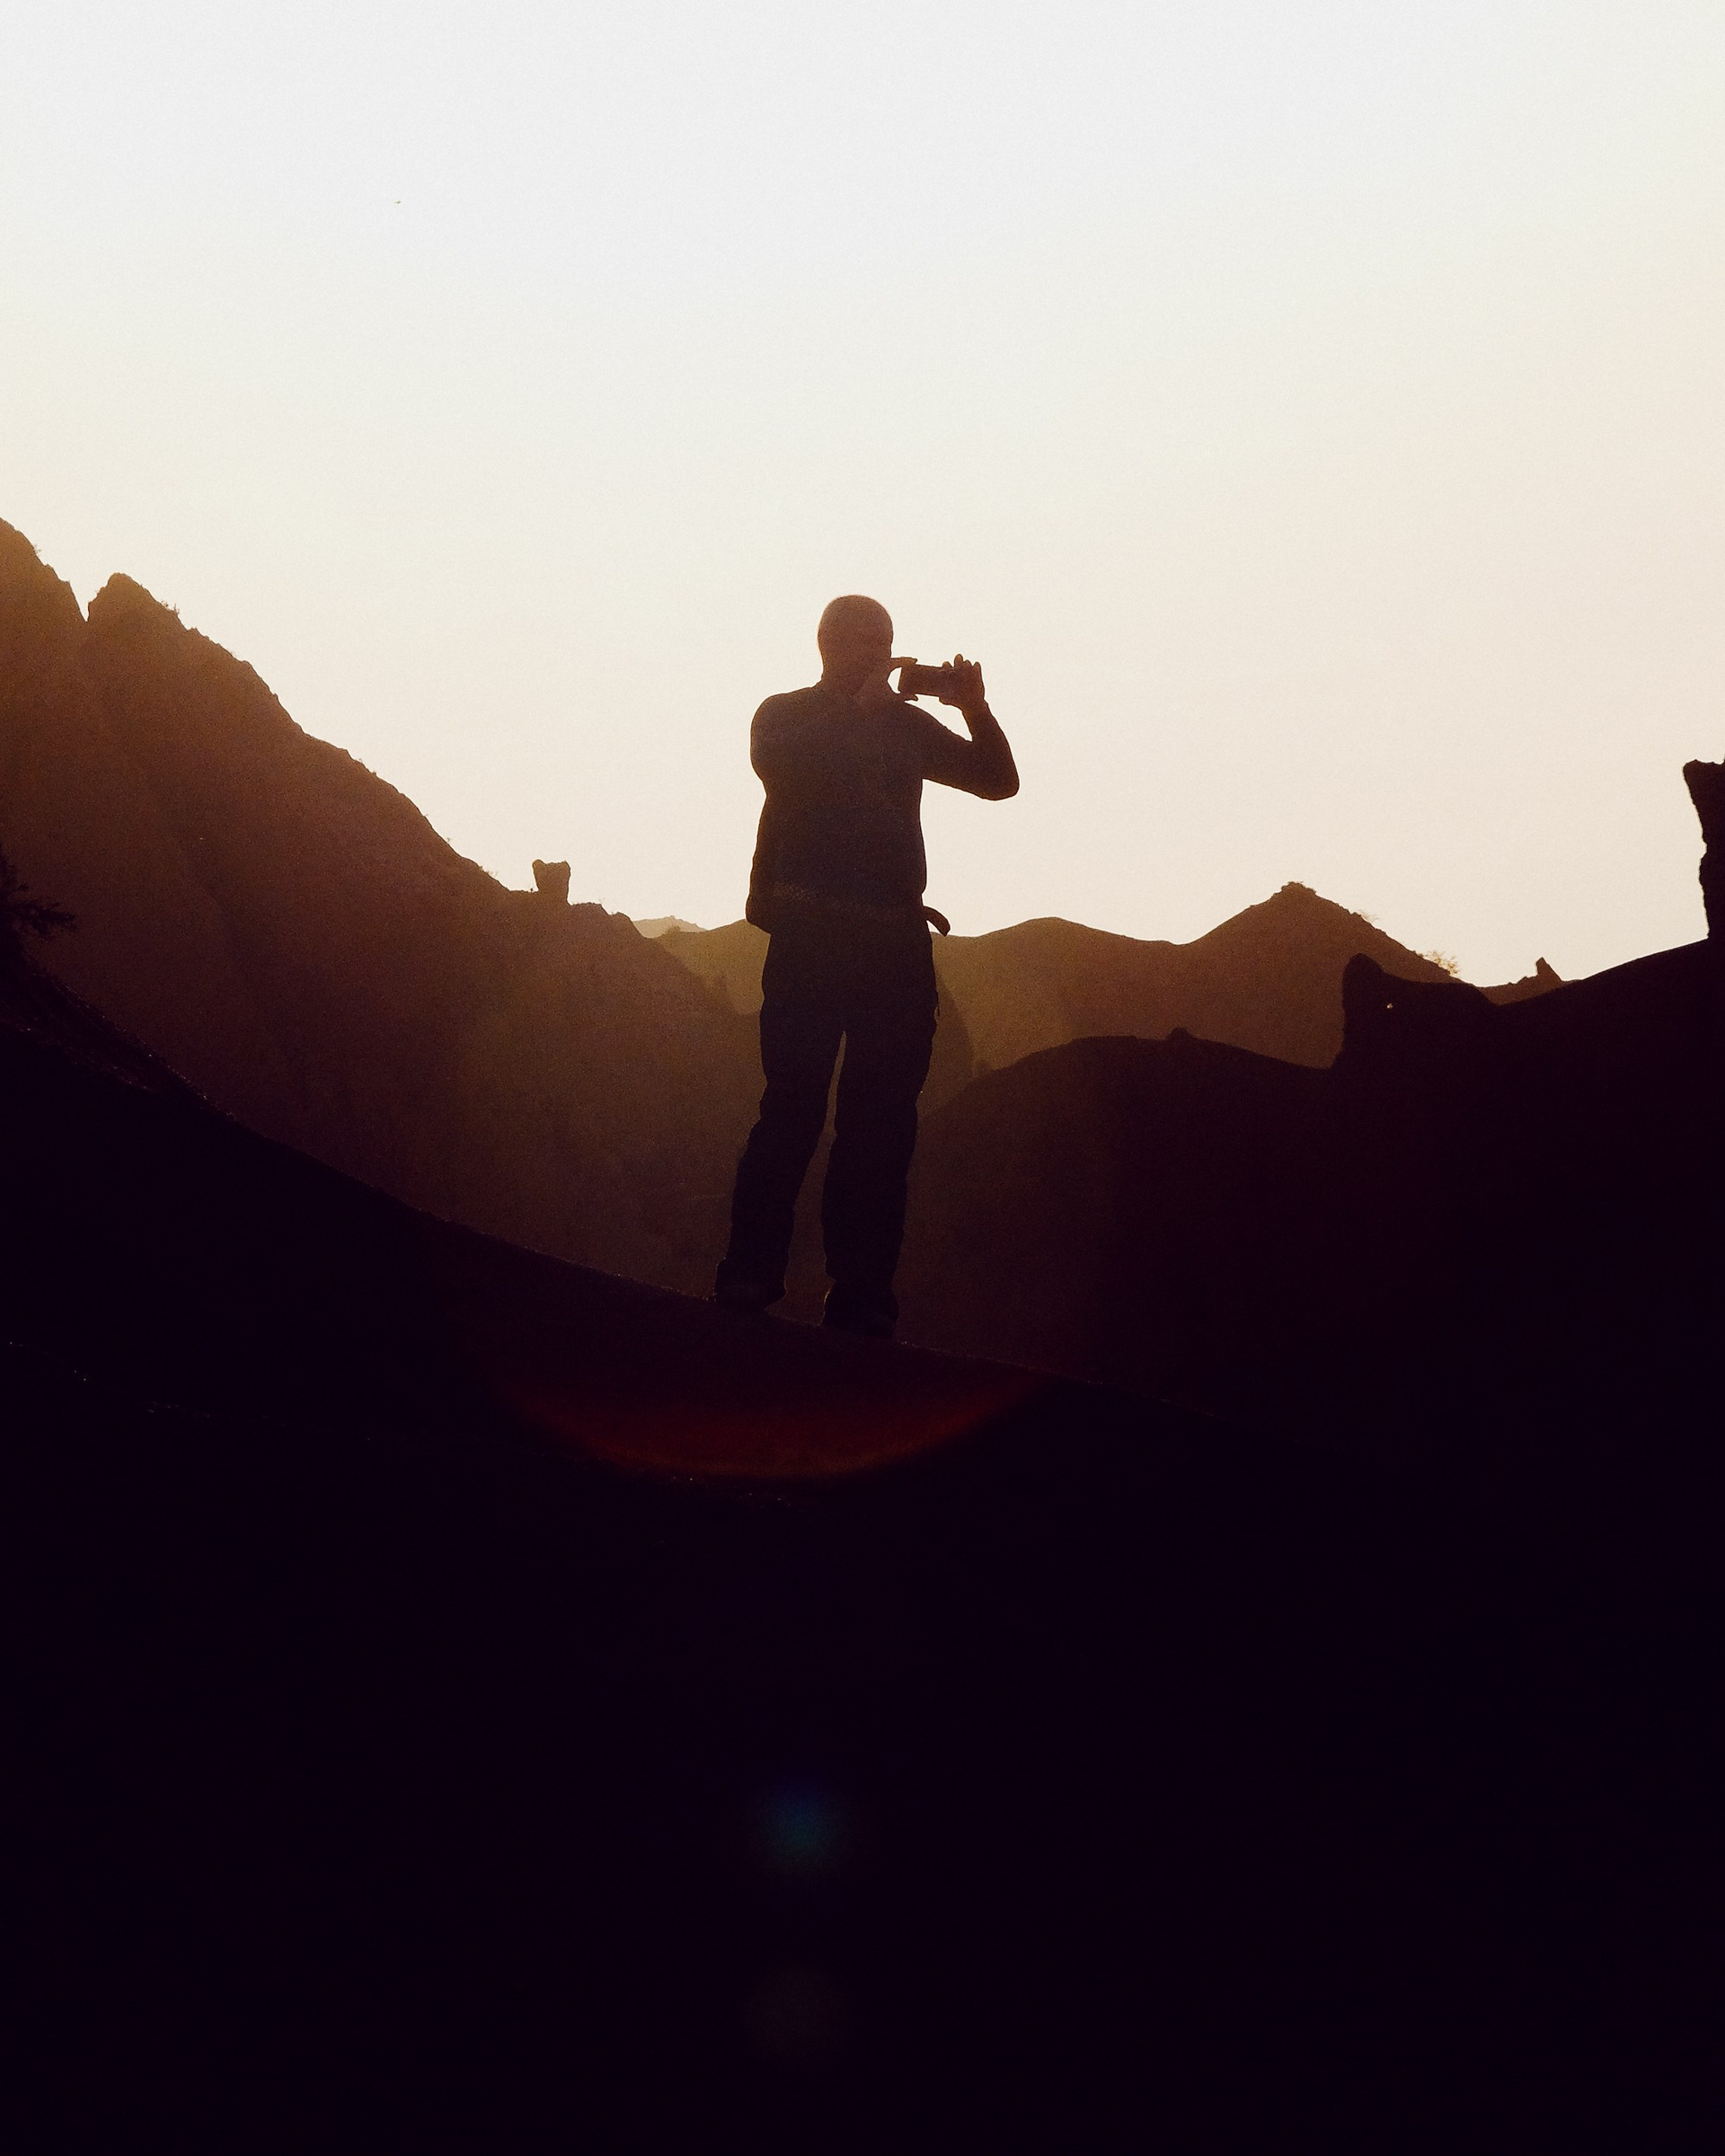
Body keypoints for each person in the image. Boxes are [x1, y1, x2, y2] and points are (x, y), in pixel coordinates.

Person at [714, 594, 1019, 1338]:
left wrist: (975, 709)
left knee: (880, 1128)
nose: (880, 652)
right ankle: (751, 1274)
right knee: (792, 1110)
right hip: (812, 938)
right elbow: (784, 769)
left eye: (885, 640)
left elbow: (997, 780)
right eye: (865, 640)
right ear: (828, 645)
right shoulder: (784, 716)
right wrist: (857, 710)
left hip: (891, 946)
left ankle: (861, 1294)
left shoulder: (903, 725)